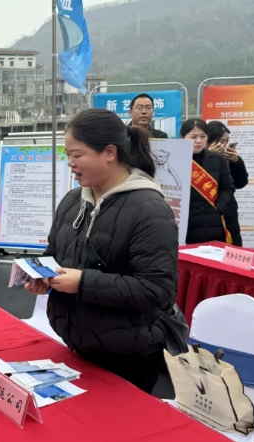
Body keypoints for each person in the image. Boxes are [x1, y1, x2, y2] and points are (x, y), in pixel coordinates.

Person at [25, 108, 178, 393]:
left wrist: (82, 282)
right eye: (68, 154)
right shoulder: (73, 200)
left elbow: (156, 291)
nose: (70, 163)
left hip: (128, 355)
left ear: (109, 152)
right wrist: (42, 275)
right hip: (76, 343)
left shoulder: (149, 209)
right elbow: (55, 251)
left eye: (77, 154)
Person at [180, 118, 235, 244]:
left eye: (203, 136)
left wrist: (219, 208)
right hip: (186, 224)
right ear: (182, 137)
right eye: (193, 137)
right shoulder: (175, 159)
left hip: (212, 223)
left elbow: (228, 187)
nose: (198, 141)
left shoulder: (217, 159)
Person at [206, 120, 248, 246]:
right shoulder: (199, 158)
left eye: (227, 141)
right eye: (221, 141)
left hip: (228, 211)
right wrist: (210, 157)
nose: (224, 145)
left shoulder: (228, 159)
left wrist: (236, 161)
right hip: (207, 211)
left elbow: (241, 183)